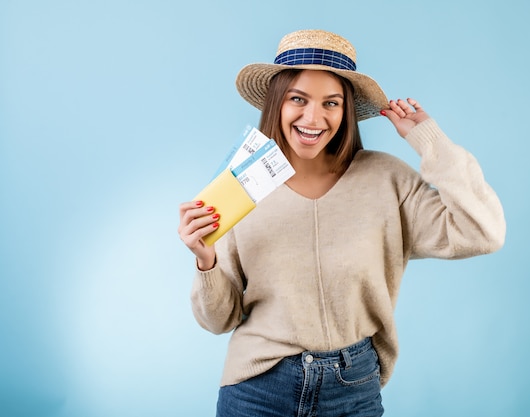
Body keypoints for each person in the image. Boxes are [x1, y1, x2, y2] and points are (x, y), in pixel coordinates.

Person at [178, 29, 506, 417]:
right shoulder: (240, 189)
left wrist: (429, 141)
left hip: (353, 390)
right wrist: (206, 261)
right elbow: (219, 321)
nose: (313, 117)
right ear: (276, 103)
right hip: (258, 389)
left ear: (345, 111)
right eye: (297, 99)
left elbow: (482, 231)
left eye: (330, 103)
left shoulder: (386, 180)